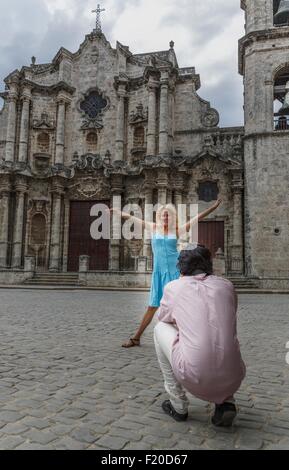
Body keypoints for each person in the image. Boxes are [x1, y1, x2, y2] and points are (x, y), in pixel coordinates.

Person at [154, 245, 246, 427]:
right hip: (234, 375)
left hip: (195, 374)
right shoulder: (227, 285)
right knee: (220, 331)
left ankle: (178, 404)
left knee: (159, 328)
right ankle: (226, 402)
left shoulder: (174, 287)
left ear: (181, 267)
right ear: (209, 264)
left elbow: (164, 317)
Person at [113, 198, 222, 348]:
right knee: (152, 306)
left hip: (175, 272)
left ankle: (193, 338)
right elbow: (133, 219)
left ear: (172, 217)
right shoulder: (153, 227)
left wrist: (213, 207)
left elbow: (198, 218)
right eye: (163, 215)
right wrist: (118, 212)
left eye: (168, 215)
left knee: (180, 306)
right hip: (159, 273)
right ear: (159, 216)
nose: (165, 217)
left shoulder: (176, 230)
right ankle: (136, 338)